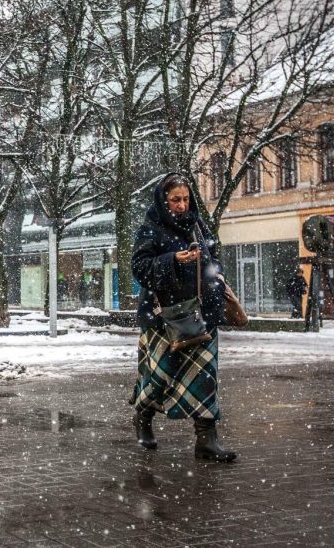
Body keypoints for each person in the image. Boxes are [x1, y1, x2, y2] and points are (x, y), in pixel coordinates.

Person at [130, 173, 236, 462]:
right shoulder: (150, 228)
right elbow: (139, 268)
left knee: (205, 376)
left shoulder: (198, 227)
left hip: (202, 314)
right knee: (160, 377)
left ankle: (207, 439)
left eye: (186, 199)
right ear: (164, 201)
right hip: (165, 318)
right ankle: (143, 415)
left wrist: (216, 276)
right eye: (175, 199)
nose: (181, 205)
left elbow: (213, 259)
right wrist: (173, 260)